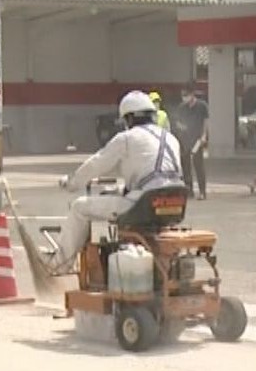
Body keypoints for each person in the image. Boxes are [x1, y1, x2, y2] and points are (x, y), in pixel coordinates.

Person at [49, 90, 183, 273]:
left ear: (128, 119)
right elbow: (151, 173)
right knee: (120, 194)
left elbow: (97, 164)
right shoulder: (171, 138)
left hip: (143, 205)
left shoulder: (127, 139)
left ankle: (59, 266)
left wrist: (73, 182)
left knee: (79, 207)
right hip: (174, 202)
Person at [175, 88, 209, 200]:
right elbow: (178, 121)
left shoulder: (202, 106)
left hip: (197, 139)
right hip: (185, 139)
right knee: (186, 166)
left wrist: (204, 135)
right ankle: (189, 190)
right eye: (182, 96)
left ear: (192, 95)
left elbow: (205, 121)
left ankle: (202, 191)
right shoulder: (181, 107)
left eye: (186, 96)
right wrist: (181, 126)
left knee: (198, 165)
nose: (184, 98)